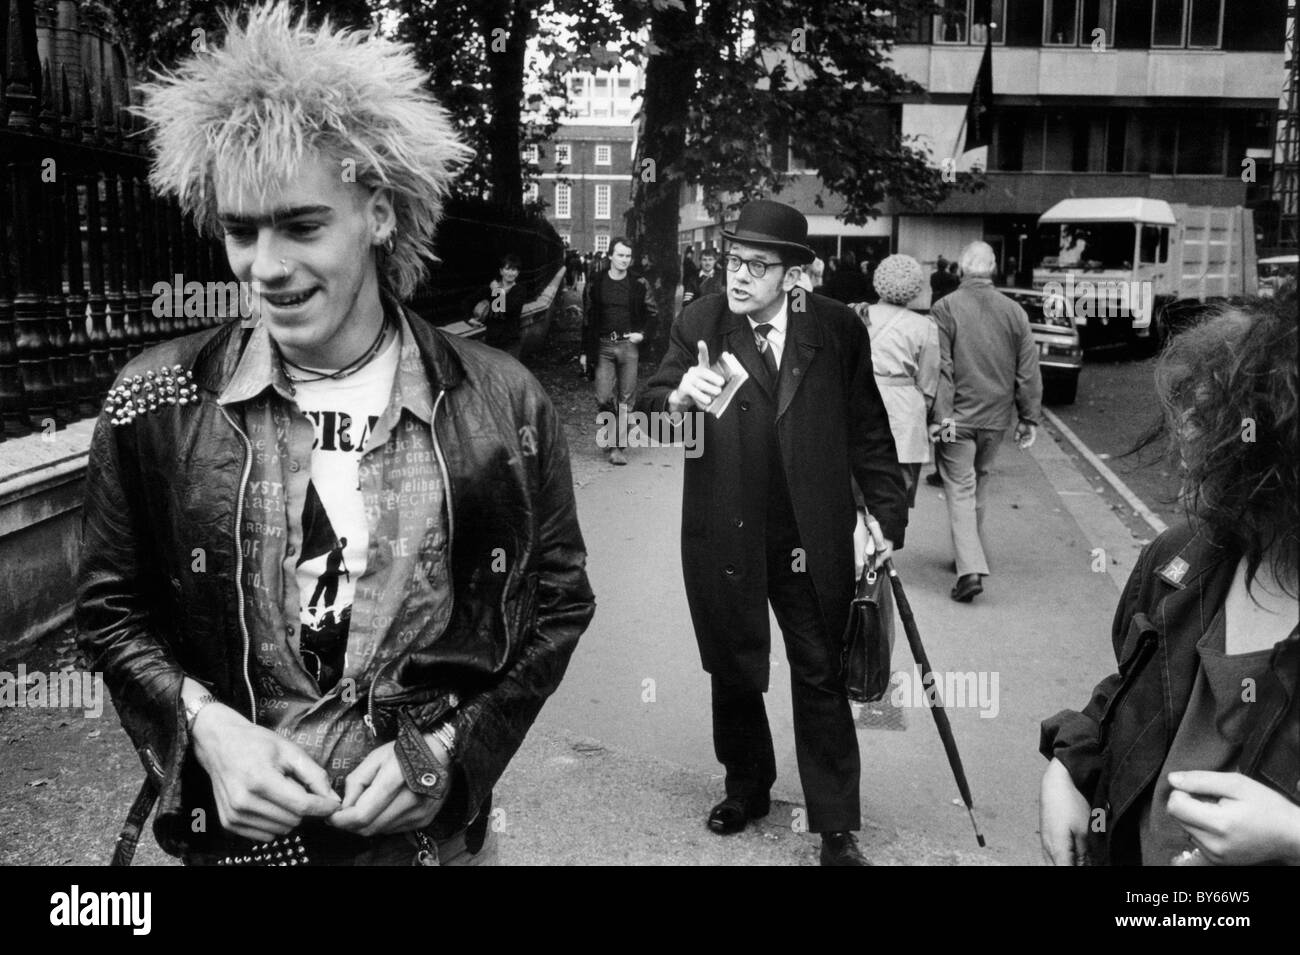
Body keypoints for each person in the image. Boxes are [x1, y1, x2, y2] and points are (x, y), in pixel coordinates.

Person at [77, 1, 595, 867]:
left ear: (380, 214)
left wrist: (449, 750)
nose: (266, 267)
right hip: (235, 847)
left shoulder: (503, 400)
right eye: (242, 230)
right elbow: (109, 609)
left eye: (302, 224)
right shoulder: (155, 398)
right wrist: (205, 728)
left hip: (425, 849)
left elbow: (556, 606)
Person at [638, 199, 908, 866]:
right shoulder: (700, 321)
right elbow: (647, 412)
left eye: (758, 266)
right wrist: (676, 400)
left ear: (793, 275)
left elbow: (869, 430)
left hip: (809, 533)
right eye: (734, 260)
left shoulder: (838, 330)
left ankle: (837, 825)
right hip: (723, 529)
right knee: (734, 665)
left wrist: (885, 517)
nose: (738, 276)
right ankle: (746, 785)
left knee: (819, 671)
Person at [1039, 301, 1299, 866]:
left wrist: (1293, 835)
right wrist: (1071, 767)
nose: (1184, 443)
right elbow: (1129, 684)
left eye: (1211, 427)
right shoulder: (1177, 554)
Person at [929, 241, 1041, 603]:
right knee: (978, 485)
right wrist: (1029, 417)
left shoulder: (945, 308)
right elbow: (1027, 370)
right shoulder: (1015, 312)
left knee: (959, 489)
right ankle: (968, 556)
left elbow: (942, 368)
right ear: (993, 268)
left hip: (956, 419)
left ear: (962, 268)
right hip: (995, 418)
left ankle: (969, 568)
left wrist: (939, 420)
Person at [854, 255, 939, 508]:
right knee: (896, 493)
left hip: (860, 408)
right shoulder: (924, 326)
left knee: (857, 490)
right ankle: (885, 541)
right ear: (915, 289)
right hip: (905, 414)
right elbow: (928, 381)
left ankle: (860, 539)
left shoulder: (857, 314)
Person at [581, 237, 657, 465]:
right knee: (603, 396)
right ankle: (612, 428)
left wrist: (642, 334)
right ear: (611, 255)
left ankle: (617, 447)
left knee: (626, 398)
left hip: (628, 347)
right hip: (603, 346)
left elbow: (654, 314)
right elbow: (587, 318)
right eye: (620, 255)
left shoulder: (639, 283)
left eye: (627, 256)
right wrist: (584, 352)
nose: (624, 260)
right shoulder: (597, 282)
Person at [472, 253, 526, 358]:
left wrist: (497, 291)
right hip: (491, 342)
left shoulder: (519, 290)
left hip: (510, 344)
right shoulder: (491, 288)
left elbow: (506, 308)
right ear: (501, 271)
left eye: (514, 270)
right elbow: (468, 302)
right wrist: (469, 319)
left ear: (518, 273)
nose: (510, 273)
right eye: (507, 269)